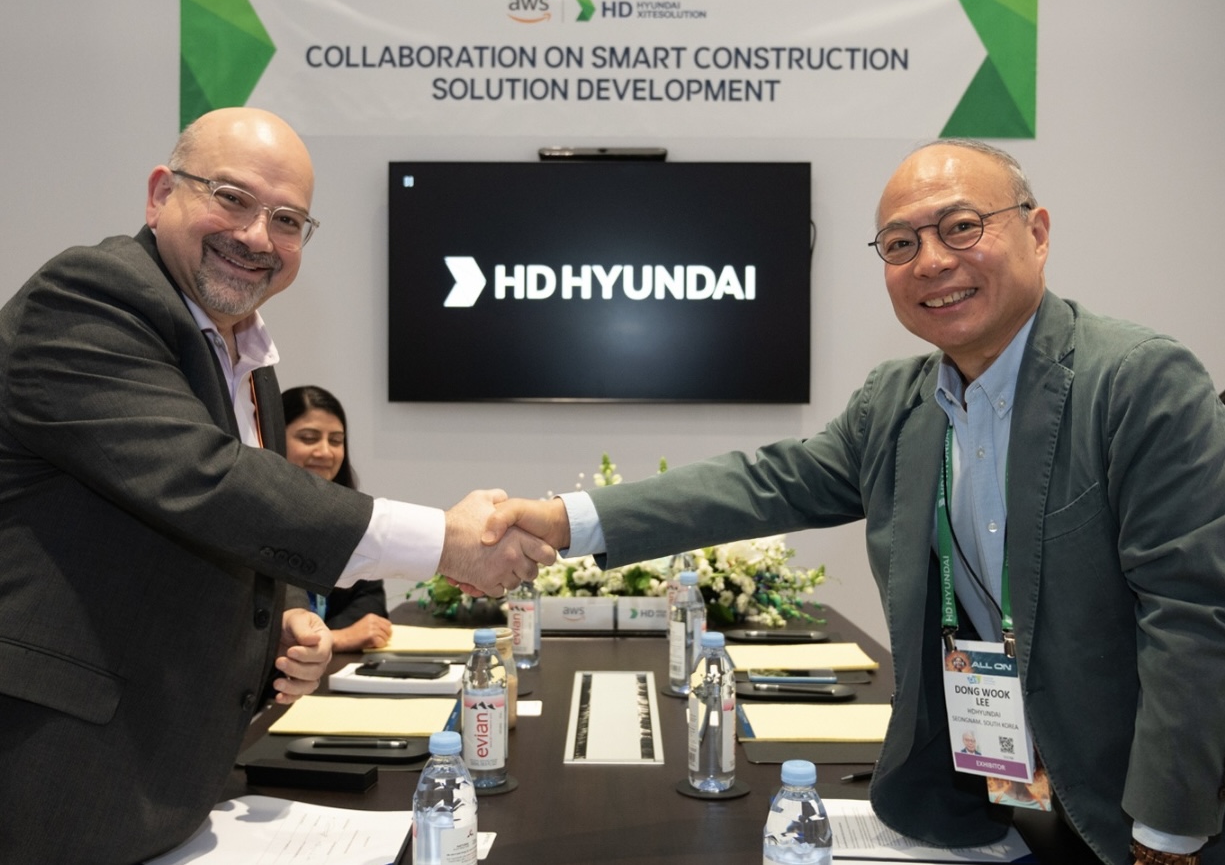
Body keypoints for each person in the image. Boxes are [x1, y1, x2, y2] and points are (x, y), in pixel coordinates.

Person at [489, 140, 1225, 865]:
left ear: (1036, 233)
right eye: (900, 244)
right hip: (1004, 802)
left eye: (960, 226)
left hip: (1146, 809)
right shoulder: (897, 403)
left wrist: (1165, 841)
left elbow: (1191, 615)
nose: (931, 261)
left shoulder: (1134, 382)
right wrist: (561, 521)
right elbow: (763, 483)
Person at [0, 107, 550, 864]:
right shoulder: (92, 296)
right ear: (161, 194)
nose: (258, 237)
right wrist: (444, 540)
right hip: (57, 773)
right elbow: (208, 481)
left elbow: (235, 523)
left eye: (287, 220)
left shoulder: (246, 356)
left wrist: (288, 615)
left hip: (173, 774)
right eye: (232, 198)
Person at [282, 384, 392, 651]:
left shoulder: (350, 514)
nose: (325, 452)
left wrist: (332, 637)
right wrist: (335, 639)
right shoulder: (253, 517)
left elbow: (371, 600)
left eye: (335, 440)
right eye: (309, 438)